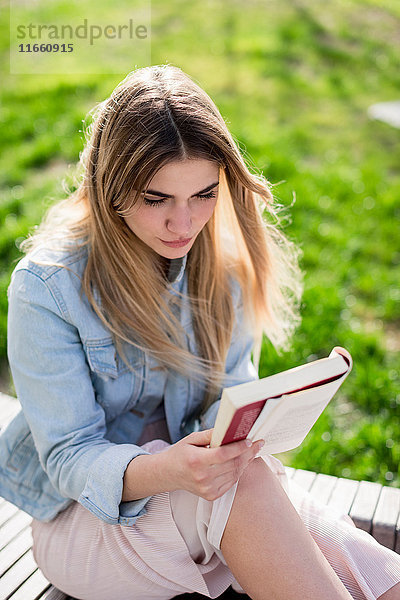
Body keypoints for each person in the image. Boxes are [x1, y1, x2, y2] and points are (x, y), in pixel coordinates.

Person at [1, 64, 399, 600]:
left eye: (204, 195)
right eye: (156, 198)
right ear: (109, 187)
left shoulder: (223, 270)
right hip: (89, 525)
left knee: (275, 498)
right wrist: (172, 468)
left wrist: (253, 423)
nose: (184, 224)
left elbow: (227, 405)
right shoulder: (47, 289)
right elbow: (70, 458)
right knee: (253, 489)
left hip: (214, 499)